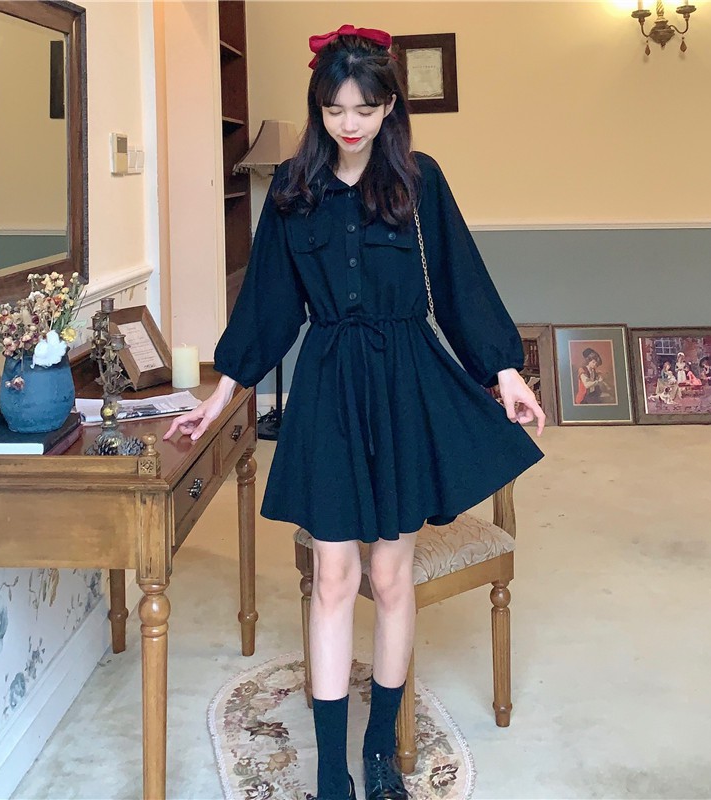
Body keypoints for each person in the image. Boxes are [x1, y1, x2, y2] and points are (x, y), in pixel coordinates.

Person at [164, 24, 545, 800]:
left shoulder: (419, 181)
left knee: (391, 576)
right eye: (335, 108)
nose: (350, 123)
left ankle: (379, 753)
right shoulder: (293, 190)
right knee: (335, 576)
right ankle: (332, 773)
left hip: (405, 383)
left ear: (389, 107)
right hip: (331, 386)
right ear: (318, 107)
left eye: (365, 109)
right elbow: (268, 305)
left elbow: (461, 282)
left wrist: (504, 371)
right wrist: (221, 394)